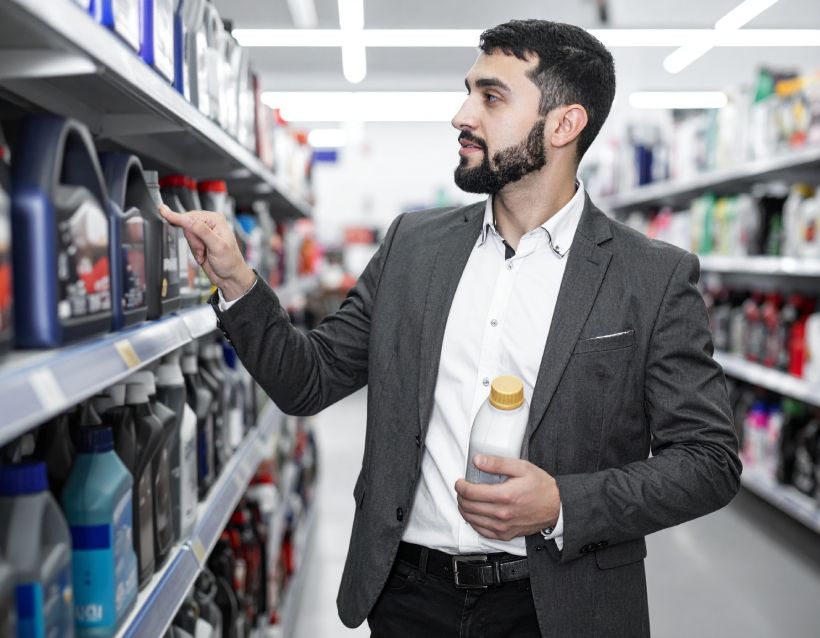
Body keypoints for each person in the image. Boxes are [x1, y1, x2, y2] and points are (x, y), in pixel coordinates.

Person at [162, 19, 741, 638]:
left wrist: (563, 503)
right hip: (411, 597)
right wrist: (236, 281)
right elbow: (310, 380)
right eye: (469, 91)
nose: (462, 114)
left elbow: (709, 461)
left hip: (558, 606)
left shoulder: (650, 275)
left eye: (491, 97)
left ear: (564, 124)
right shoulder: (414, 246)